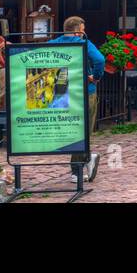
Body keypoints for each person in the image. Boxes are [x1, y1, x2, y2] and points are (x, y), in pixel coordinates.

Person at [51, 16, 106, 182]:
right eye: (82, 30)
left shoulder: (54, 43)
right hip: (84, 91)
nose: (84, 33)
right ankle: (78, 168)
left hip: (62, 92)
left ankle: (85, 160)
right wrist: (95, 77)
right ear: (76, 32)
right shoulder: (83, 43)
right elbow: (100, 60)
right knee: (84, 130)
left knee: (71, 127)